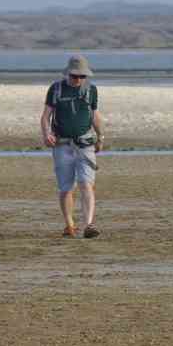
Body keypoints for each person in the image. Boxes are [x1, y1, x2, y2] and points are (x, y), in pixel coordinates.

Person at [40, 55, 104, 238]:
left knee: (86, 184)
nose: (78, 79)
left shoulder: (91, 90)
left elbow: (95, 115)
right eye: (75, 76)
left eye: (82, 76)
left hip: (85, 145)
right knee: (66, 187)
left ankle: (89, 225)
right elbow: (45, 116)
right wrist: (46, 134)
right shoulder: (56, 89)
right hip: (62, 145)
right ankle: (69, 225)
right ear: (68, 73)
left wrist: (101, 137)